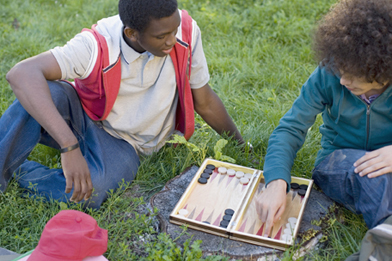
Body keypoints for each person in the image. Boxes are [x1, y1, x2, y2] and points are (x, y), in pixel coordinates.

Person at [1, 0, 244, 209]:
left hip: (127, 144)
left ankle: (18, 172)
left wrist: (242, 147)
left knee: (93, 192)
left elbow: (205, 101)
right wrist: (68, 145)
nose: (172, 40)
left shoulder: (186, 33)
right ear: (131, 33)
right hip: (85, 116)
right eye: (161, 36)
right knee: (40, 91)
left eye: (174, 30)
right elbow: (21, 73)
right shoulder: (96, 45)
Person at [255, 0, 392, 243]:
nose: (342, 81)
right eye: (341, 70)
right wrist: (276, 181)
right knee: (374, 178)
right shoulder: (328, 73)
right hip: (338, 162)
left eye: (353, 75)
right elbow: (290, 128)